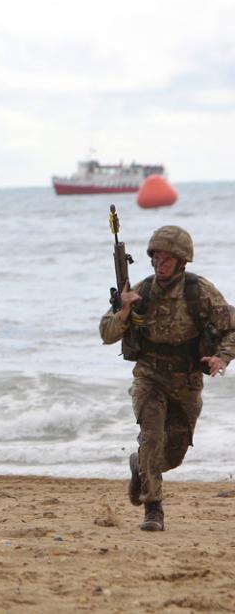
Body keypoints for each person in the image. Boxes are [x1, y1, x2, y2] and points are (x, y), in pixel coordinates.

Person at [100, 225, 234, 532]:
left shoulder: (199, 292)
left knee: (172, 454)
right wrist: (123, 312)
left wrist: (222, 357)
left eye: (167, 260)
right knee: (152, 436)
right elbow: (106, 335)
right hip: (149, 376)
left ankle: (140, 466)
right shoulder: (142, 292)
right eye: (156, 259)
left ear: (182, 261)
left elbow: (232, 328)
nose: (160, 265)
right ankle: (153, 509)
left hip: (186, 381)